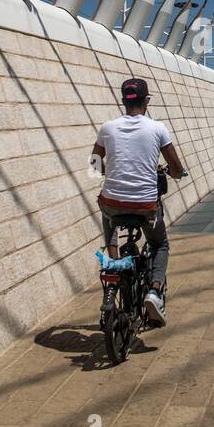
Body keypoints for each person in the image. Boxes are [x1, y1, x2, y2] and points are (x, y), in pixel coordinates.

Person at [91, 77, 186, 326]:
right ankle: (154, 291)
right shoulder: (157, 128)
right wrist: (176, 173)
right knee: (159, 244)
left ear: (123, 101)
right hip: (145, 206)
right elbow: (176, 167)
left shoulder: (107, 128)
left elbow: (94, 164)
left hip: (113, 201)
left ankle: (112, 266)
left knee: (107, 213)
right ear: (146, 101)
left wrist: (108, 173)